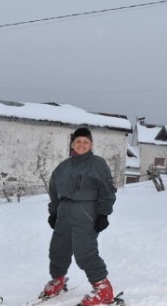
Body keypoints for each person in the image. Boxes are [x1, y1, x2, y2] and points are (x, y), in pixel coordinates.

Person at [41, 127, 117, 306]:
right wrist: (54, 212)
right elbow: (53, 190)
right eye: (78, 142)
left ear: (91, 145)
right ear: (72, 144)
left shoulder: (97, 164)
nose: (81, 145)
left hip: (85, 210)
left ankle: (103, 288)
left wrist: (103, 213)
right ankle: (58, 279)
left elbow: (107, 191)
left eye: (85, 142)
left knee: (85, 251)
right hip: (64, 211)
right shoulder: (63, 166)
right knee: (58, 249)